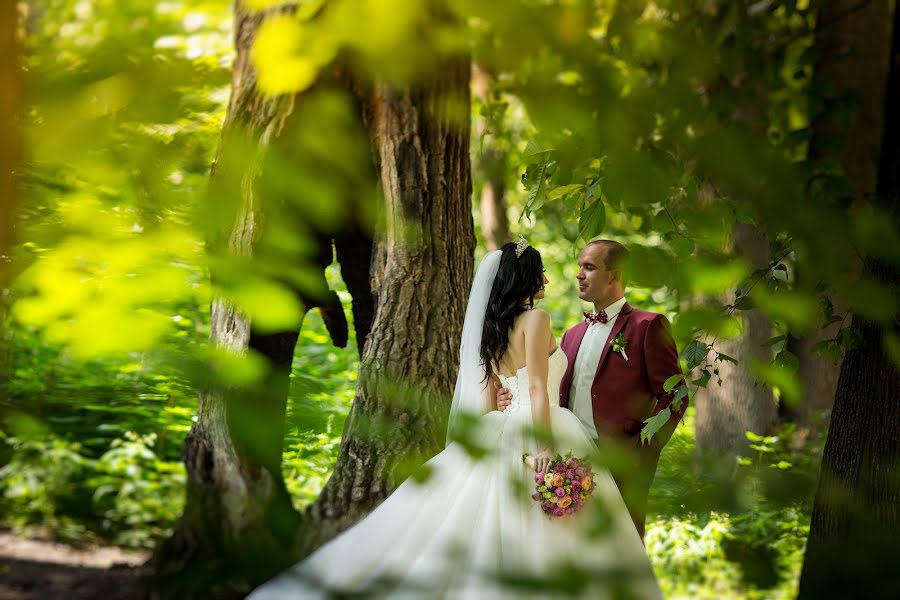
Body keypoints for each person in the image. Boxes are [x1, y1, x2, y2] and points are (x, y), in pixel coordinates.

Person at [248, 239, 661, 599]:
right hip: (542, 426)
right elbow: (537, 387)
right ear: (524, 279)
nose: (549, 282)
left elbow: (486, 402)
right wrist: (545, 447)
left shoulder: (489, 328)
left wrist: (503, 401)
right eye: (542, 273)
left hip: (499, 427)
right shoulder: (537, 320)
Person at [498, 240, 686, 540]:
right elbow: (545, 387)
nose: (579, 275)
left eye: (589, 267)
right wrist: (507, 394)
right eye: (579, 267)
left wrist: (642, 450)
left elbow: (675, 396)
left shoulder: (648, 325)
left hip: (622, 459)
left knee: (625, 548)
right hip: (572, 459)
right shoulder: (571, 335)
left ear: (615, 275)